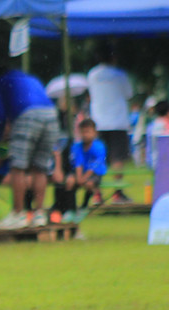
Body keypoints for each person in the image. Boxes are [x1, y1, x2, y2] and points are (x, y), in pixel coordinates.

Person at [0, 66, 60, 230]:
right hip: (51, 114)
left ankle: (18, 214)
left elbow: (0, 115)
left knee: (17, 165)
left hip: (27, 115)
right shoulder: (30, 78)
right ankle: (39, 213)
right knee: (40, 166)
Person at [87, 43, 132, 184]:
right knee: (117, 158)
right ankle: (118, 191)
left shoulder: (92, 75)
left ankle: (97, 191)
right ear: (113, 57)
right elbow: (129, 94)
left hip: (98, 122)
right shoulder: (120, 75)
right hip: (118, 122)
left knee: (99, 158)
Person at [62, 118, 107, 220]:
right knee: (70, 181)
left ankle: (84, 206)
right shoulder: (77, 147)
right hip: (80, 173)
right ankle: (71, 209)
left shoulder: (99, 147)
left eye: (88, 132)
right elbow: (78, 162)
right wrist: (79, 177)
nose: (85, 135)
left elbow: (95, 165)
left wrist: (84, 178)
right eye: (82, 132)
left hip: (95, 173)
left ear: (95, 133)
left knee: (89, 184)